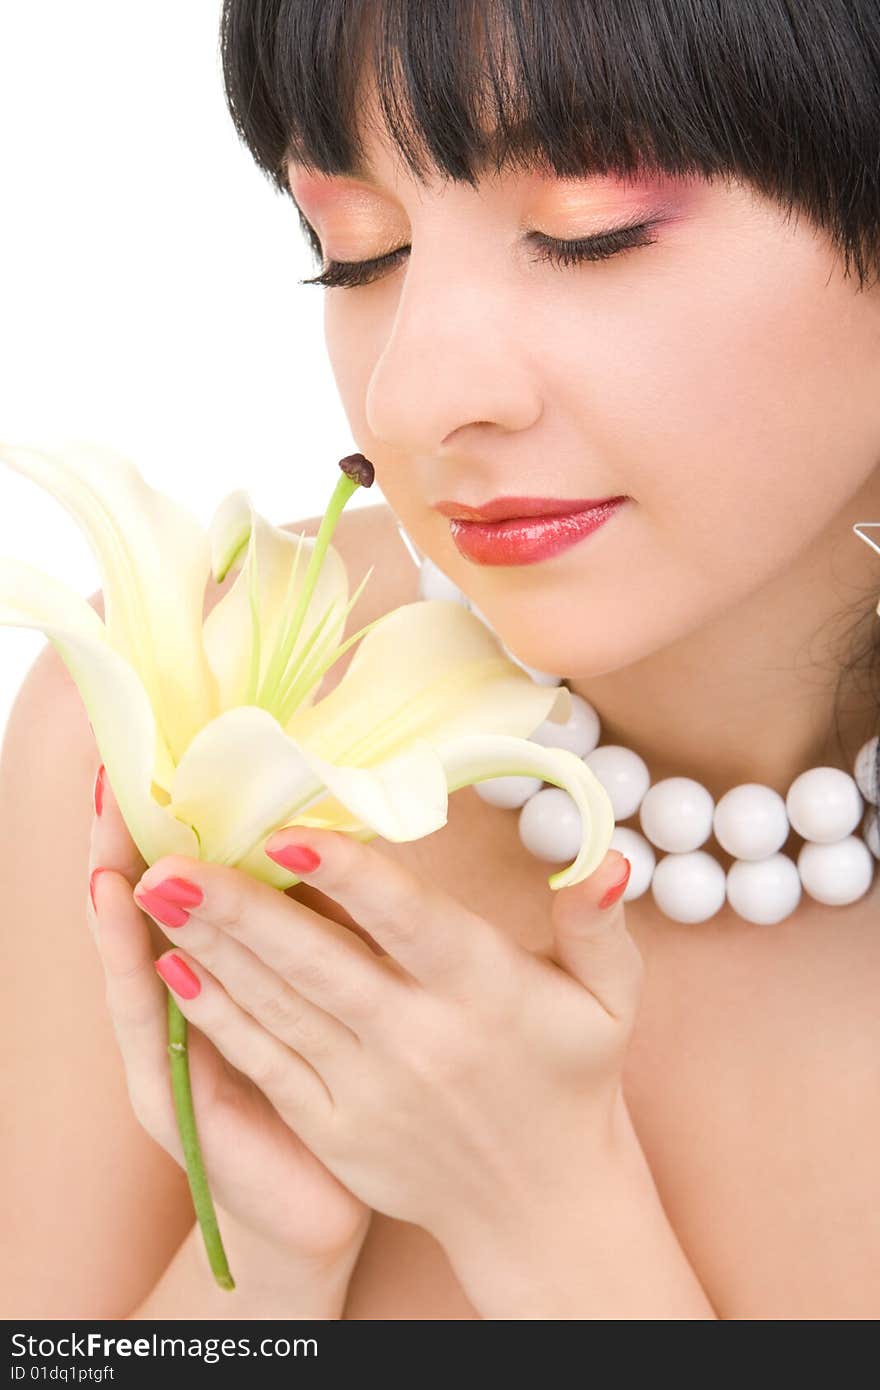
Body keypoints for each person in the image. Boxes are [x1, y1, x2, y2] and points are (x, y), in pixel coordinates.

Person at [3, 0, 880, 1320]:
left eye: (588, 229)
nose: (412, 397)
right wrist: (268, 1246)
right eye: (355, 253)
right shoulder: (200, 727)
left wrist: (540, 1206)